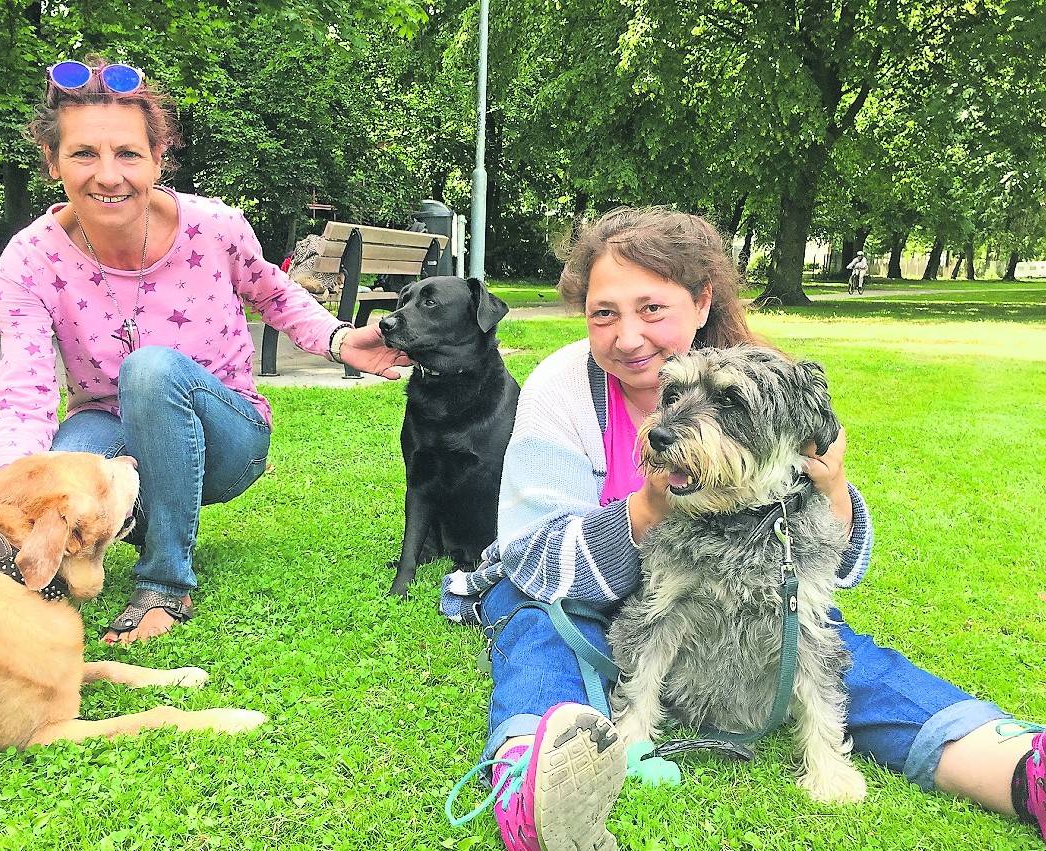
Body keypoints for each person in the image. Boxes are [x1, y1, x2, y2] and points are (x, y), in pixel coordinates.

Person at [441, 207, 1046, 850]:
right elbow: (532, 561)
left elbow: (836, 566)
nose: (627, 337)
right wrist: (650, 505)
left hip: (737, 592)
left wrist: (832, 487)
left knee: (825, 643)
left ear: (702, 302)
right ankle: (528, 779)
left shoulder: (768, 380)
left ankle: (1019, 769)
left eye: (652, 308)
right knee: (538, 629)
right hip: (574, 593)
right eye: (603, 313)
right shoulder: (561, 387)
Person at [0, 58, 410, 644]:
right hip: (108, 424)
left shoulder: (214, 226)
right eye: (84, 154)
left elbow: (274, 292)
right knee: (59, 476)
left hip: (225, 435)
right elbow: (24, 388)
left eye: (129, 154)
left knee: (151, 369)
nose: (108, 175)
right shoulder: (30, 259)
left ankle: (165, 583)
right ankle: (33, 571)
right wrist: (6, 494)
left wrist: (338, 340)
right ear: (53, 161)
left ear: (158, 160)